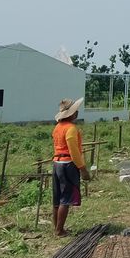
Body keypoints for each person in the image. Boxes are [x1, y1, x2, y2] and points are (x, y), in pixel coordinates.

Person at [51, 97, 90, 236]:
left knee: (57, 199)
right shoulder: (71, 129)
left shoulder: (57, 127)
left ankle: (57, 227)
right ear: (72, 114)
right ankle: (60, 230)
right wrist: (82, 168)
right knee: (66, 198)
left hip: (56, 163)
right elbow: (73, 150)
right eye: (75, 111)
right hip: (68, 164)